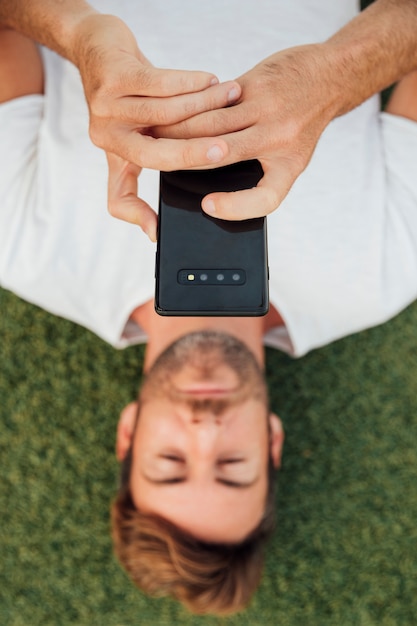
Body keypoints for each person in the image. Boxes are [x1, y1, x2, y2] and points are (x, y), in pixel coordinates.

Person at [1, 0, 417, 615]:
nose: (204, 432)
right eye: (232, 466)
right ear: (272, 443)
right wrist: (332, 76)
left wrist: (83, 38)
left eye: (170, 464)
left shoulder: (25, 251)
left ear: (128, 435)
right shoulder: (383, 274)